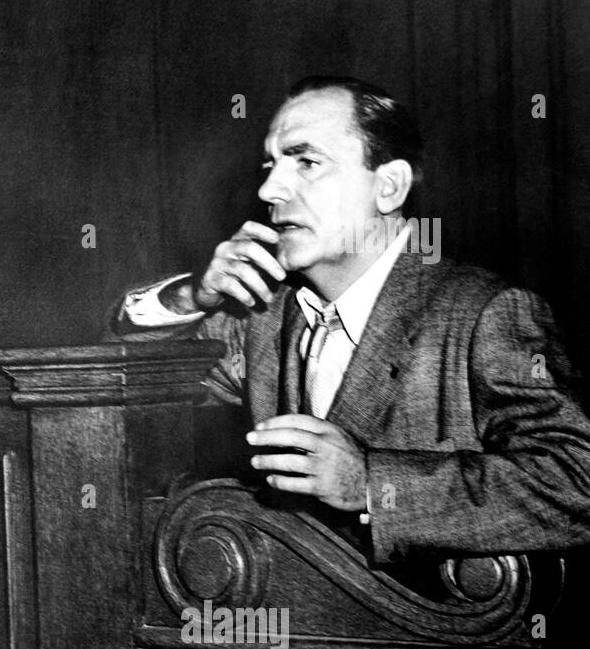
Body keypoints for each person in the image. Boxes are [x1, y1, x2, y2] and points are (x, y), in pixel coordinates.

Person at [116, 75, 590, 563]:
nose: (270, 188)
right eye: (271, 165)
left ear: (388, 187)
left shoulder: (484, 312)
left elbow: (577, 483)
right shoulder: (259, 315)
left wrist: (370, 482)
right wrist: (194, 294)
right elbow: (120, 385)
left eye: (307, 162)